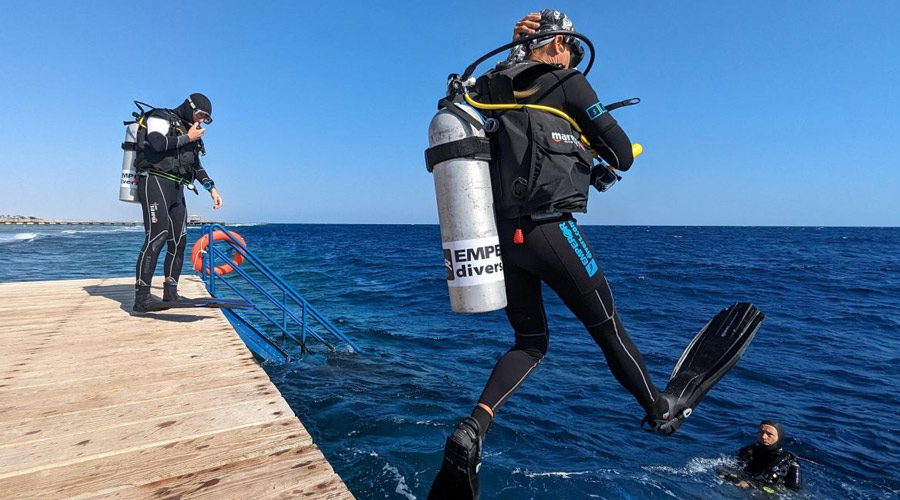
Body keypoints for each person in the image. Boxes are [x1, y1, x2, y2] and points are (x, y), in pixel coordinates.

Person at [429, 10, 666, 499]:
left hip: (500, 238)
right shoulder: (570, 82)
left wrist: (514, 51)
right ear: (558, 43)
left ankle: (475, 426)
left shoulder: (490, 83)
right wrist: (589, 138)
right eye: (570, 50)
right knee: (608, 328)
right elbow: (621, 154)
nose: (573, 59)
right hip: (551, 231)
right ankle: (658, 409)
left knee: (531, 343)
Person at [133, 93, 223, 313]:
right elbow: (156, 142)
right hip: (154, 182)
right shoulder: (161, 116)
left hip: (177, 188)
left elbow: (196, 165)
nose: (201, 120)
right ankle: (142, 298)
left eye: (206, 118)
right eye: (200, 114)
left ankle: (170, 292)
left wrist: (211, 187)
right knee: (157, 236)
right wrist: (188, 138)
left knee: (178, 240)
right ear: (189, 106)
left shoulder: (191, 132)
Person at [720, 420, 804, 492]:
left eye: (769, 434)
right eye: (761, 432)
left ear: (779, 438)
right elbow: (728, 467)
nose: (763, 437)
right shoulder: (748, 451)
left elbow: (794, 493)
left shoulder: (789, 462)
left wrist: (752, 486)